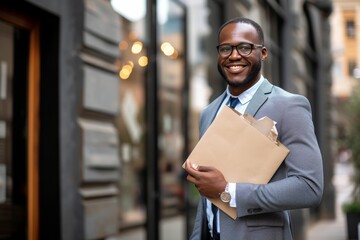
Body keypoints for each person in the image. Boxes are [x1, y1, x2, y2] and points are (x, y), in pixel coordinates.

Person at [184, 17, 323, 240]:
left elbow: (309, 188)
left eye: (245, 47)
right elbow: (206, 195)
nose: (234, 55)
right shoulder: (208, 112)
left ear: (264, 53)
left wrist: (229, 191)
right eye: (226, 48)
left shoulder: (289, 106)